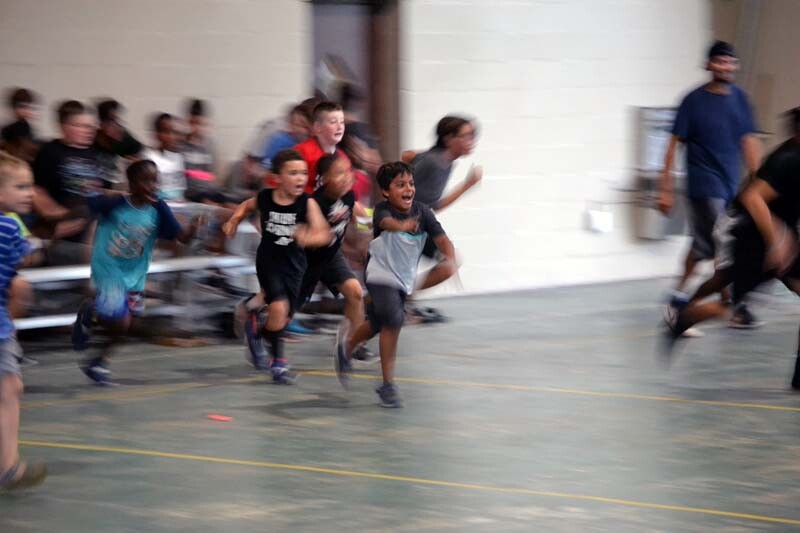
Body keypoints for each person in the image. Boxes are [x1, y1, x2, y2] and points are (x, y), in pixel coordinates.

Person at [664, 107, 800, 387]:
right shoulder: (787, 161)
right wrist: (776, 241)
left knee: (726, 284)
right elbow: (753, 198)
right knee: (730, 306)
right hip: (752, 239)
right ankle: (685, 317)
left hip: (782, 237)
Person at [658, 41, 762, 328]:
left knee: (701, 248)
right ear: (708, 65)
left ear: (735, 66)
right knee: (726, 243)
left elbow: (749, 141)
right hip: (703, 185)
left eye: (729, 62)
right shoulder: (692, 101)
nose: (724, 67)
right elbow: (672, 146)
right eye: (719, 61)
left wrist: (758, 180)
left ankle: (676, 301)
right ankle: (735, 306)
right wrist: (665, 189)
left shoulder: (741, 99)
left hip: (731, 186)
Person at [341, 162, 457, 407]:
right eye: (400, 185)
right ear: (386, 191)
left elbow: (442, 238)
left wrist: (450, 257)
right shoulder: (382, 210)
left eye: (411, 184)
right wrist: (402, 226)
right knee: (394, 320)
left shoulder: (423, 212)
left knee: (377, 323)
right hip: (379, 274)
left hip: (402, 278)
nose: (408, 189)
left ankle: (347, 347)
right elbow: (385, 223)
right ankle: (388, 385)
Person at [72, 160, 196, 385]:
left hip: (134, 274)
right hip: (108, 267)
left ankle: (97, 361)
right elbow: (89, 201)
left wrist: (194, 229)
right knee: (120, 321)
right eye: (145, 181)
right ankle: (94, 310)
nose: (152, 186)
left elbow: (182, 238)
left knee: (128, 326)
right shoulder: (115, 204)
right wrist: (94, 191)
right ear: (131, 184)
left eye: (155, 181)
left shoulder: (158, 209)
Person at [223, 149, 332, 384]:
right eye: (293, 173)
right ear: (277, 178)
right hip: (269, 262)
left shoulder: (307, 203)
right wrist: (233, 220)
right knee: (279, 307)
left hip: (295, 266)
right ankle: (279, 365)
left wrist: (308, 238)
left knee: (282, 318)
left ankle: (256, 333)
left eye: (303, 173)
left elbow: (324, 233)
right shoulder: (265, 198)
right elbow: (246, 205)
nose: (300, 178)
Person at [0, 151, 46, 490]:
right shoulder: (10, 225)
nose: (29, 193)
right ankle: (8, 467)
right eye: (20, 187)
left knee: (10, 387)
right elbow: (26, 259)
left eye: (30, 186)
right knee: (9, 389)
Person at [32, 100, 104, 260]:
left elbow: (98, 189)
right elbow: (37, 190)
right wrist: (58, 213)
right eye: (82, 126)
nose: (89, 131)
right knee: (87, 212)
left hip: (91, 217)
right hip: (66, 218)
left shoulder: (94, 154)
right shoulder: (50, 151)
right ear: (64, 127)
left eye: (91, 127)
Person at [293, 101, 350, 194]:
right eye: (333, 122)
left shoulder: (343, 159)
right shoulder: (302, 152)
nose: (340, 127)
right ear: (317, 127)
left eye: (342, 122)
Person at [93, 99, 144, 185]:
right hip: (98, 182)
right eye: (112, 120)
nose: (118, 125)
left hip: (116, 183)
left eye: (118, 119)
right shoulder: (93, 138)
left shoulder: (124, 136)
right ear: (102, 124)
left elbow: (139, 157)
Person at [142, 113, 186, 202]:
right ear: (157, 134)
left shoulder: (179, 157)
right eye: (167, 132)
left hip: (179, 204)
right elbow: (146, 193)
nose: (173, 137)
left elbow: (180, 189)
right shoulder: (149, 157)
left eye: (176, 133)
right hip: (159, 204)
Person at [260, 104, 311, 171]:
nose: (299, 129)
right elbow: (267, 167)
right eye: (295, 124)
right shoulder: (279, 141)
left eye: (304, 126)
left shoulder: (313, 144)